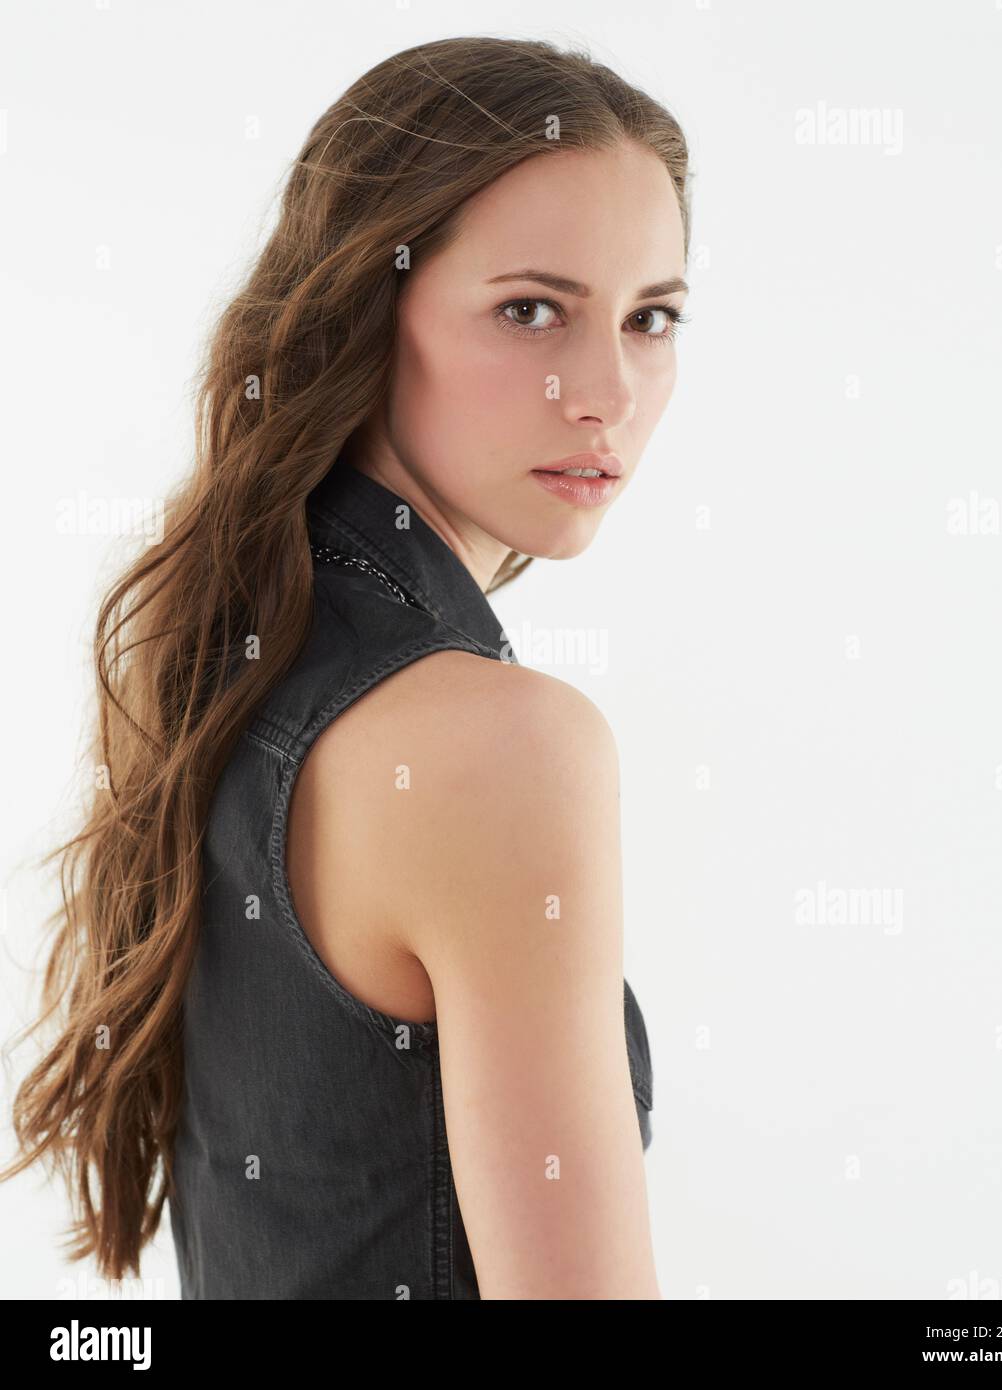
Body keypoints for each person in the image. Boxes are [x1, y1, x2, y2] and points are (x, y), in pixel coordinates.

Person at [3, 35, 692, 1299]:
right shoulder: (503, 747)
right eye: (530, 309)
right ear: (367, 313)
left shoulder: (213, 640)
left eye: (651, 318)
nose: (607, 391)